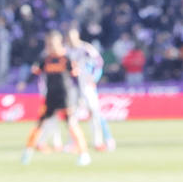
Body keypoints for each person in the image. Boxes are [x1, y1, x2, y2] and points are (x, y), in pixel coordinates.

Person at [21, 31, 91, 166]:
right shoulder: (45, 59)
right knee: (39, 124)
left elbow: (76, 78)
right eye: (47, 44)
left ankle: (84, 154)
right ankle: (27, 152)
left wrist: (81, 96)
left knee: (71, 124)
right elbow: (35, 72)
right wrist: (24, 82)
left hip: (65, 97)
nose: (49, 46)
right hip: (50, 97)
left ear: (59, 43)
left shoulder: (67, 58)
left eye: (51, 43)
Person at [66, 26, 115, 151]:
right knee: (72, 115)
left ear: (77, 36)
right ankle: (73, 142)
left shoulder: (85, 48)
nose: (71, 40)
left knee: (94, 112)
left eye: (73, 37)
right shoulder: (66, 50)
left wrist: (94, 77)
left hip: (86, 86)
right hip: (72, 87)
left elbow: (99, 61)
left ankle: (98, 142)